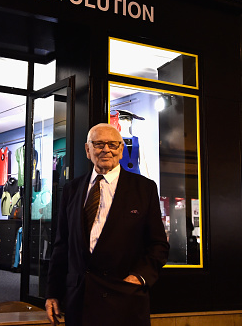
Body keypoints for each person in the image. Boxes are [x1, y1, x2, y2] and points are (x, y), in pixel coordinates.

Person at [45, 123, 169, 326]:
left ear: (121, 150)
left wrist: (138, 277)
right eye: (99, 144)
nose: (106, 149)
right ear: (88, 150)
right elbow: (61, 245)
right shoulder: (72, 189)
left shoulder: (144, 188)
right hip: (79, 301)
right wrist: (53, 292)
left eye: (112, 144)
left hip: (124, 300)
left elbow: (158, 245)